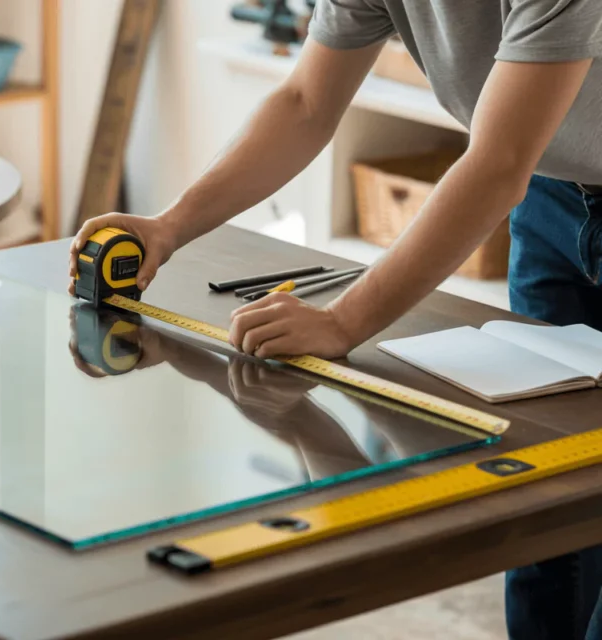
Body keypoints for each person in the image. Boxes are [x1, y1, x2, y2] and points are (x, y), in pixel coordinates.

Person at [67, 1, 602, 637]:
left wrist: (344, 321)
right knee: (550, 492)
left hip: (523, 167)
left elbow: (497, 162)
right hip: (550, 191)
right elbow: (305, 103)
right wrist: (170, 226)